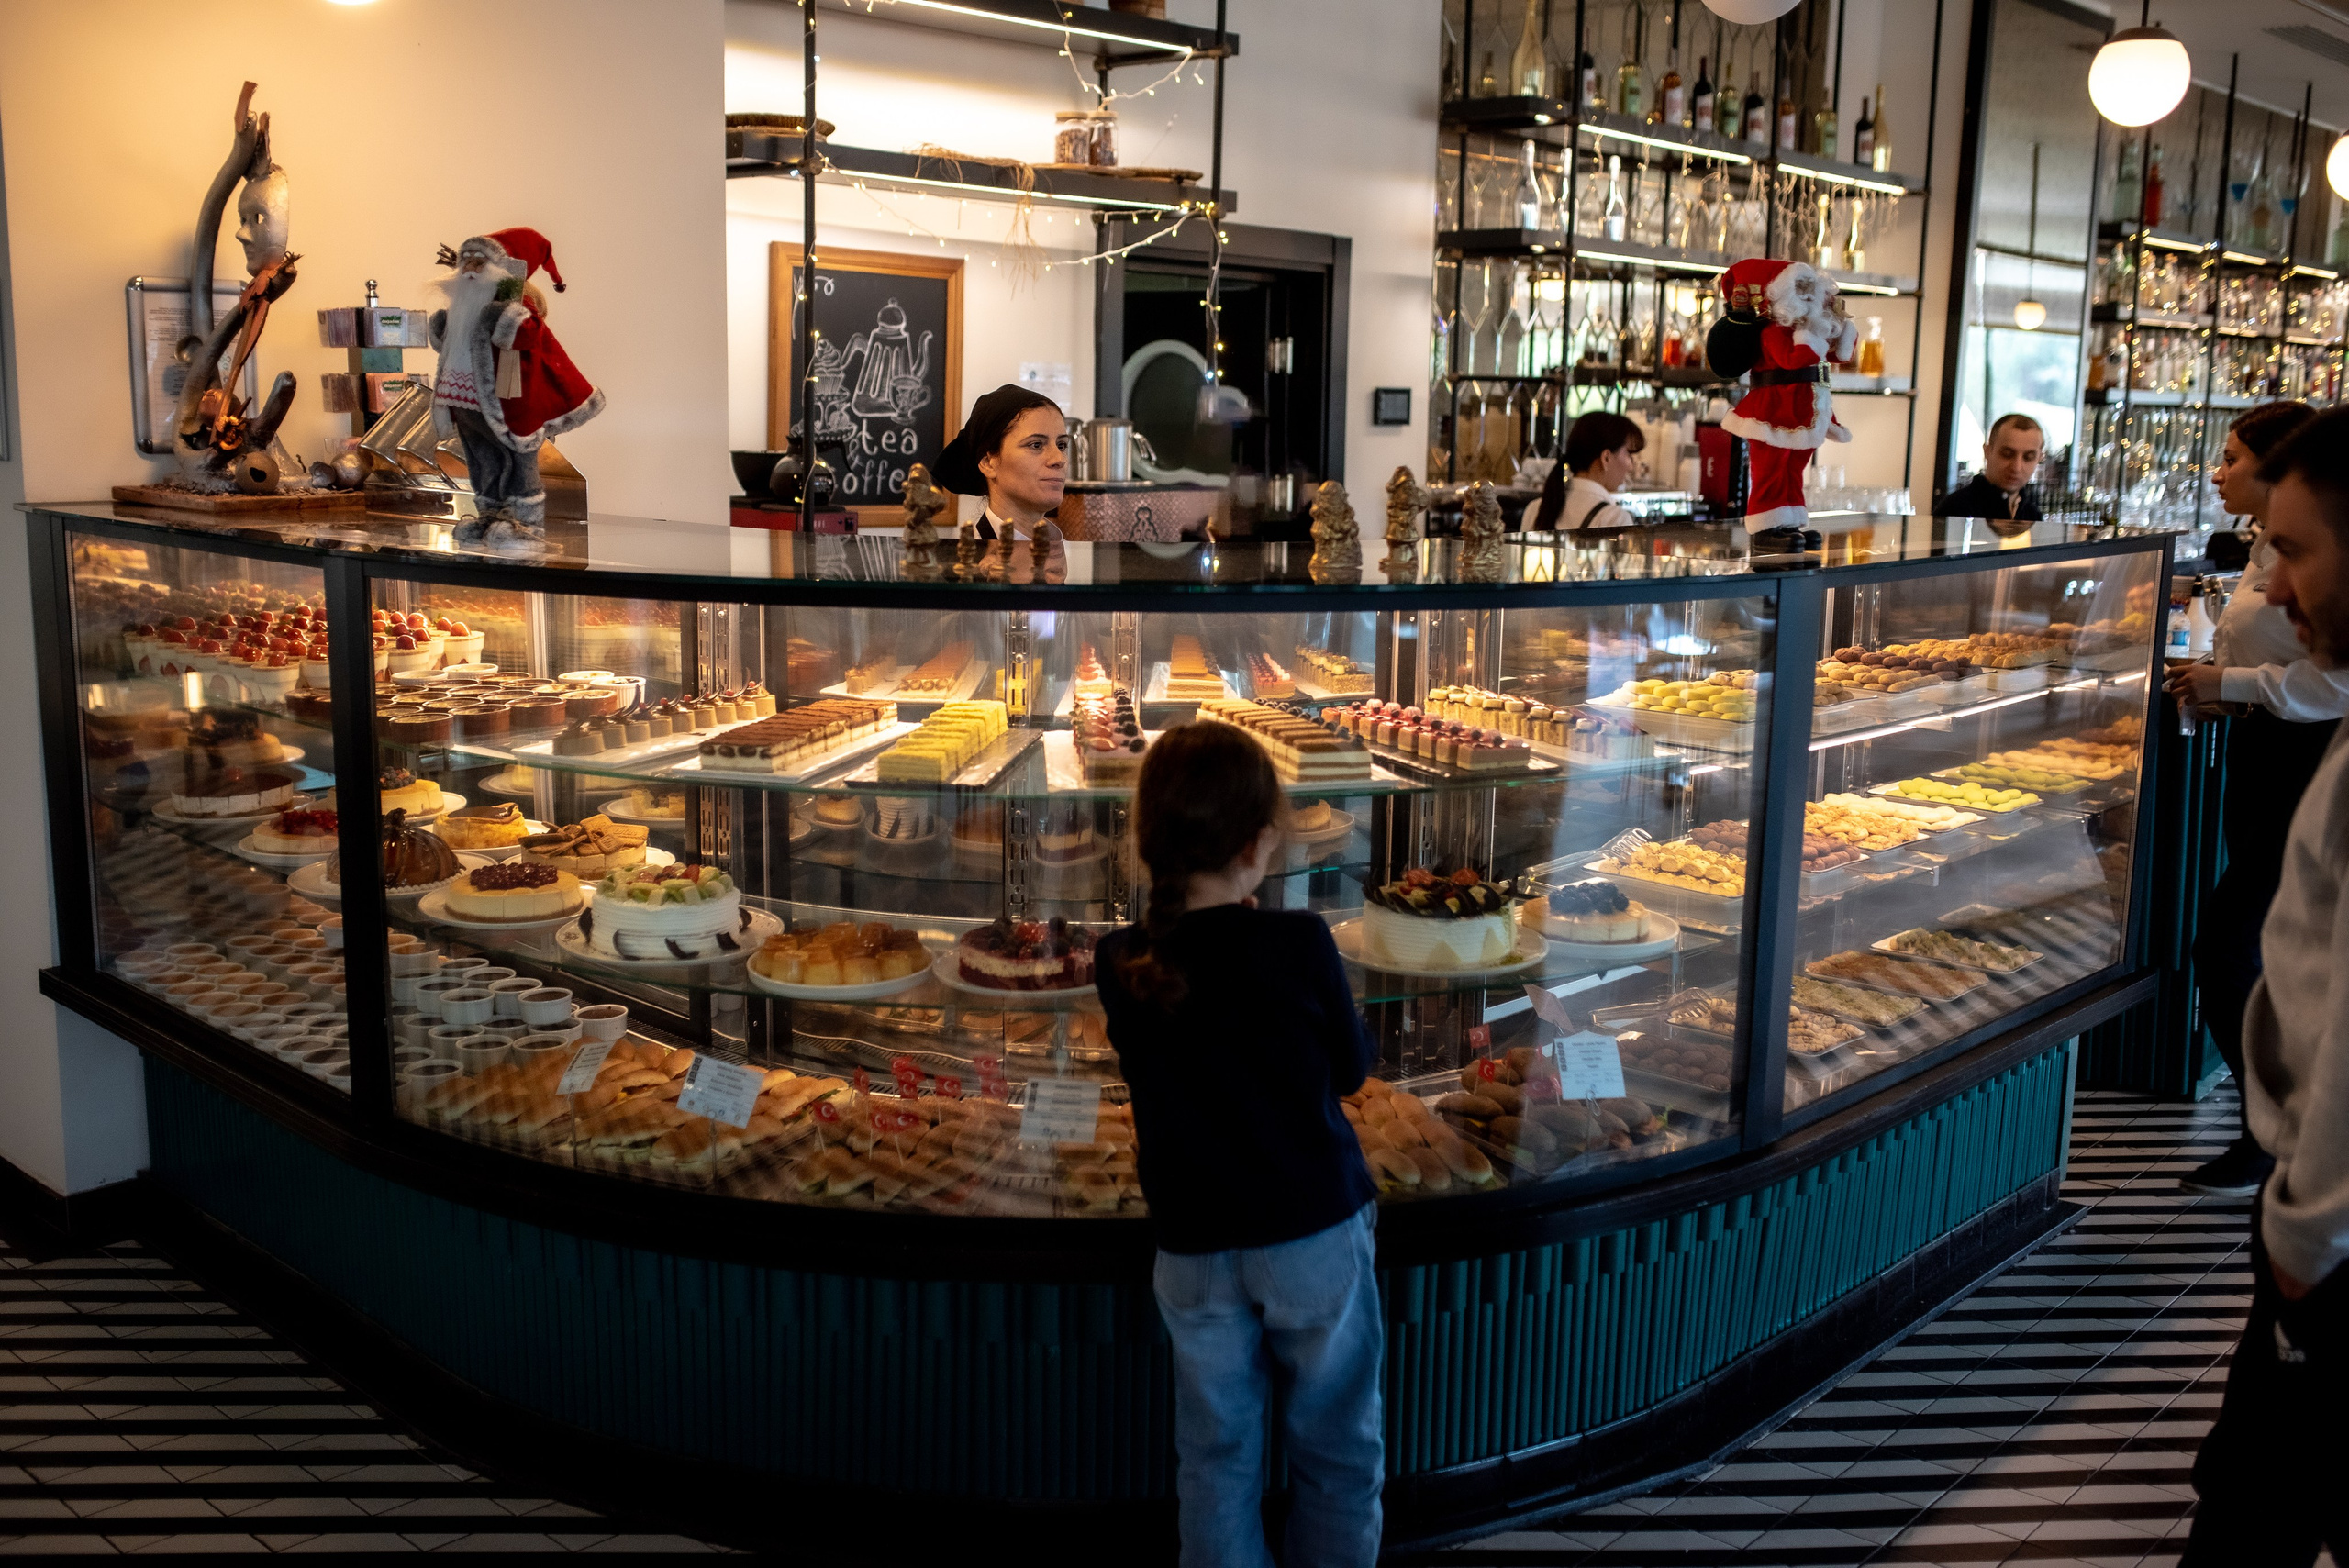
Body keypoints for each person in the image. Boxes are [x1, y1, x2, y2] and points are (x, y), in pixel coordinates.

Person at [1096, 724, 1384, 1568]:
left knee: (1216, 1460)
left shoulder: (1122, 959)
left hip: (1192, 1244)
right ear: (1261, 845)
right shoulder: (1297, 944)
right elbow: (1351, 1072)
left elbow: (1188, 1025)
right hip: (1312, 1234)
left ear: (1146, 842)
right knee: (1337, 1450)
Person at [2180, 406, 2349, 1567]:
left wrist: (2302, 1229)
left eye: (2296, 551)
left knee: (2251, 1512)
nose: (2277, 587)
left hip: (2328, 1242)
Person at [2164, 401, 2349, 1198]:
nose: (2218, 470)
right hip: (2268, 750)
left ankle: (2269, 1135)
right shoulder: (2264, 544)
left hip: (2298, 757)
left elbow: (2332, 681)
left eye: (2233, 456)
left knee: (2232, 945)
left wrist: (2230, 683)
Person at [932, 384, 1067, 542]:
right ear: (988, 463)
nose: (1059, 459)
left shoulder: (1067, 549)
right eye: (1036, 445)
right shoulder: (974, 562)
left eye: (1061, 445)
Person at [1531, 411, 1645, 531]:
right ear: (1606, 458)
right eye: (1629, 455)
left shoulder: (1535, 509)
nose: (1631, 467)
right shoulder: (1615, 518)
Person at [1939, 413, 2044, 522]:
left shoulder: (2033, 515)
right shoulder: (1955, 508)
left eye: (2028, 457)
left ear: (2039, 459)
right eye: (2007, 454)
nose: (2016, 467)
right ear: (1987, 451)